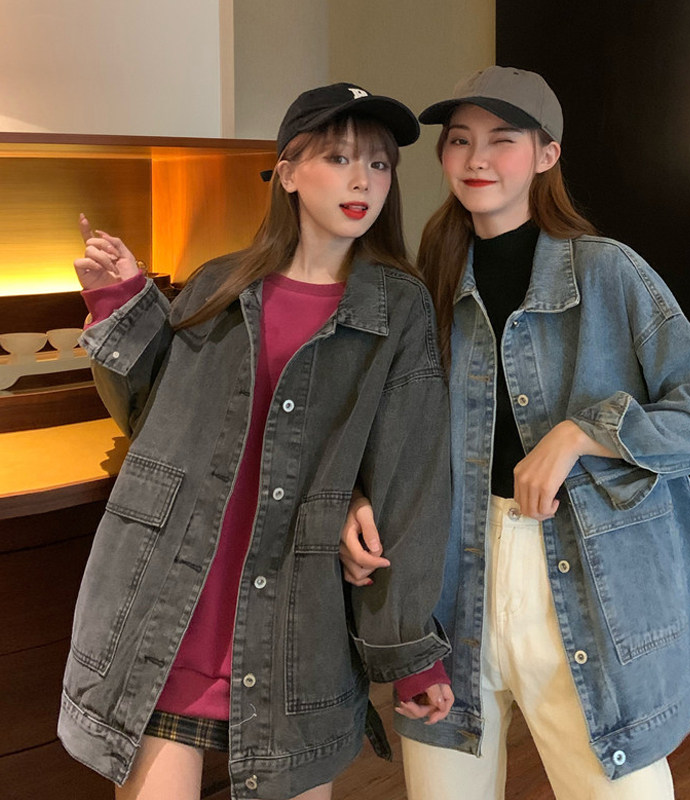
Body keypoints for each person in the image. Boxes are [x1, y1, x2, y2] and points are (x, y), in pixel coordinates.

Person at [340, 66, 690, 800]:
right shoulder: (427, 281)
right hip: (445, 580)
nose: (477, 158)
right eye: (459, 140)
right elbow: (385, 431)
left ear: (547, 155)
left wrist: (585, 433)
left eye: (502, 139)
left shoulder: (606, 271)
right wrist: (356, 499)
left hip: (583, 579)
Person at [58, 82, 455, 800]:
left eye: (378, 163)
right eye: (338, 158)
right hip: (175, 610)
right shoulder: (220, 282)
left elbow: (411, 479)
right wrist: (118, 301)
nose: (363, 180)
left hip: (295, 633)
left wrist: (408, 651)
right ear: (289, 172)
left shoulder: (399, 307)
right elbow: (154, 417)